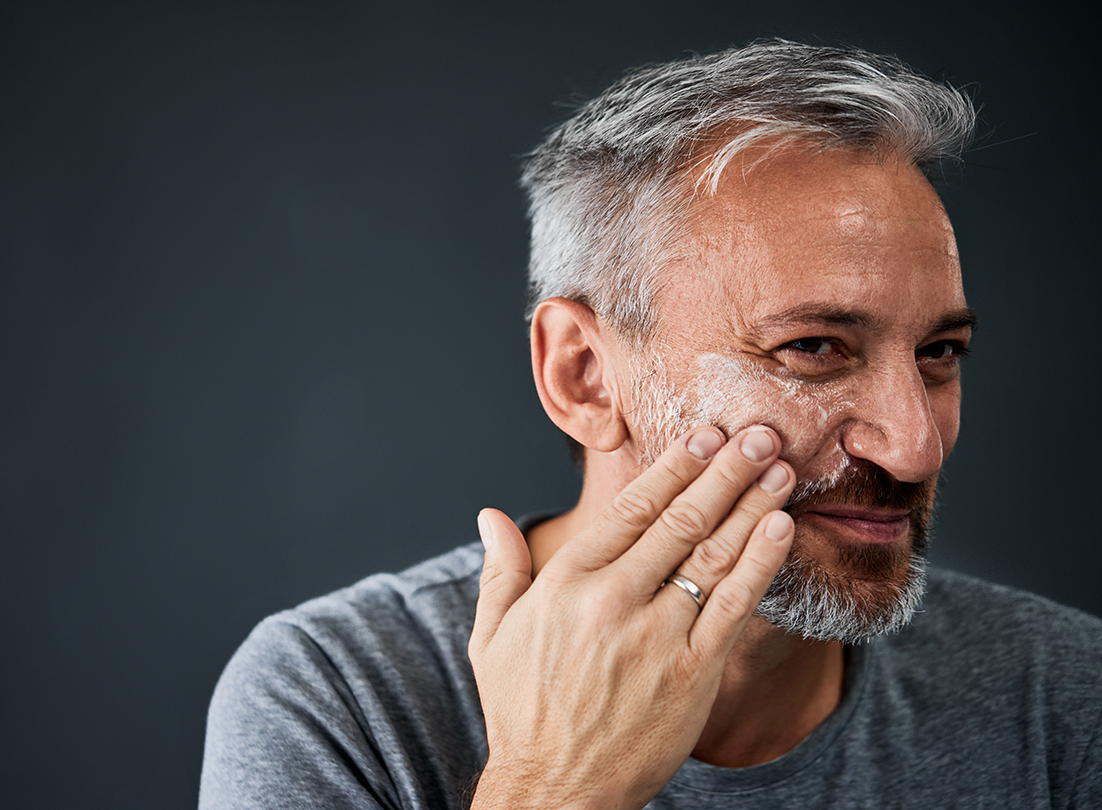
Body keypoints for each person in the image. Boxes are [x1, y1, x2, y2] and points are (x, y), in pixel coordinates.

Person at [199, 40, 1102, 809]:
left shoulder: (1062, 696)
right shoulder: (339, 700)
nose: (915, 444)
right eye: (814, 348)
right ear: (585, 377)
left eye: (940, 353)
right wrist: (551, 785)